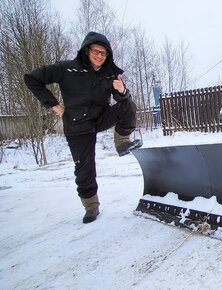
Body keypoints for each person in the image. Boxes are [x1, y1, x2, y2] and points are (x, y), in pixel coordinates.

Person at [24, 31, 142, 224]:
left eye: (104, 53)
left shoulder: (110, 73)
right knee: (84, 168)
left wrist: (122, 92)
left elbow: (121, 101)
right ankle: (91, 207)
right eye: (96, 51)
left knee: (128, 104)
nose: (100, 56)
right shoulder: (67, 69)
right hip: (77, 125)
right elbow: (31, 78)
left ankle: (122, 142)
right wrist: (56, 106)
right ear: (87, 50)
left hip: (101, 118)